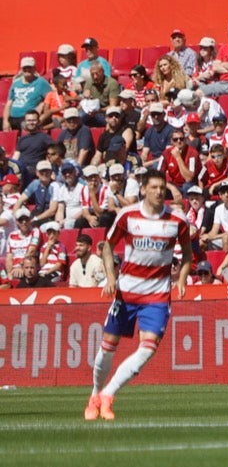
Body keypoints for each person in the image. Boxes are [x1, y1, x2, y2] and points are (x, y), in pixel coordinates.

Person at [84, 168, 193, 421]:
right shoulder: (128, 216)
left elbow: (187, 253)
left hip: (156, 295)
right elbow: (107, 248)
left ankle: (109, 394)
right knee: (108, 348)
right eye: (153, 187)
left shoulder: (177, 221)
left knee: (148, 348)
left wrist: (183, 279)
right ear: (143, 189)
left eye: (161, 187)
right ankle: (95, 393)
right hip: (126, 293)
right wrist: (111, 278)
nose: (158, 192)